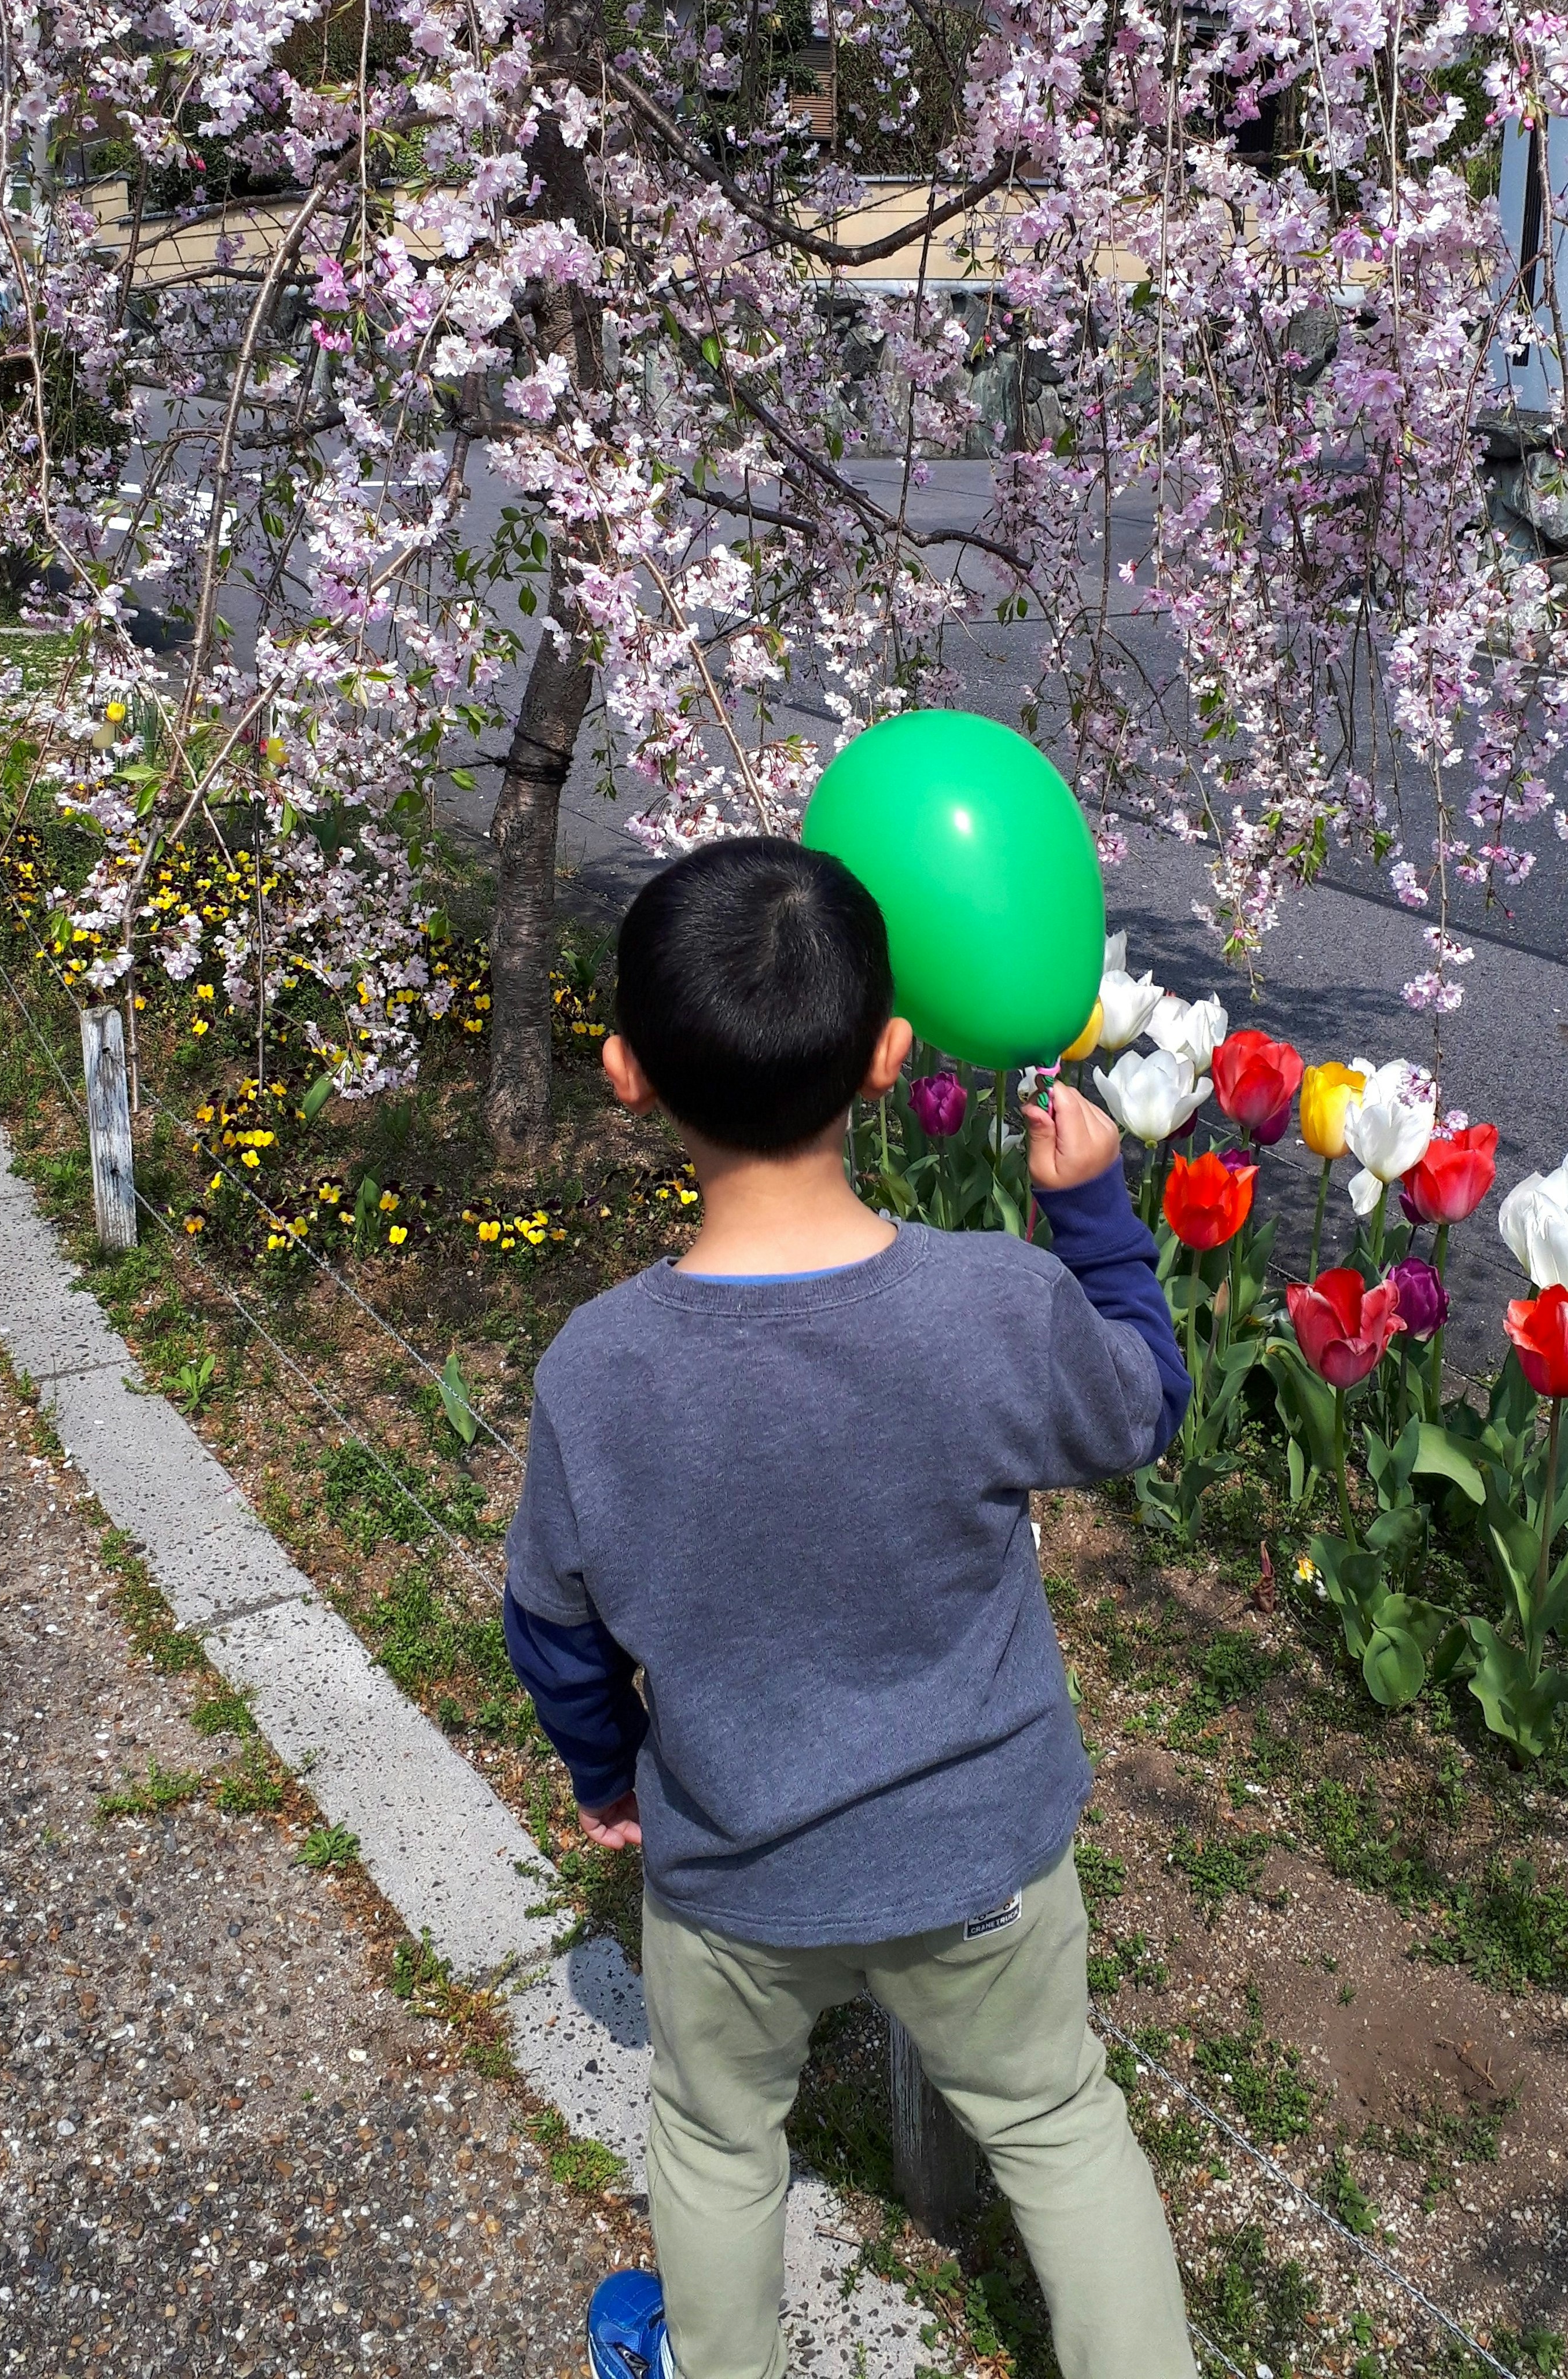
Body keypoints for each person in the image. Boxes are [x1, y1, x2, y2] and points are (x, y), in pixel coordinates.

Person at [500, 837, 1201, 2379]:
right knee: (1059, 2119)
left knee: (714, 2136)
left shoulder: (599, 1372)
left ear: (626, 1074)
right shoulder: (990, 1306)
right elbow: (1143, 1406)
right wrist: (1090, 1220)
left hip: (735, 1863)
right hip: (980, 1862)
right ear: (891, 1058)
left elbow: (551, 1623)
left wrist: (605, 1771)